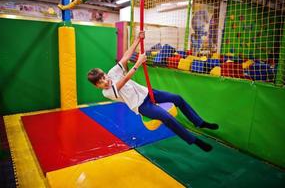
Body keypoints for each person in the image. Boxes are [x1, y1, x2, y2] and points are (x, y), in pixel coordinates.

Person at [87, 32, 219, 152]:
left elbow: (126, 56)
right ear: (97, 86)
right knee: (166, 117)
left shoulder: (112, 73)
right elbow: (125, 80)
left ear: (105, 74)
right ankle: (194, 140)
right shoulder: (107, 93)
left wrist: (137, 40)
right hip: (141, 106)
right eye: (100, 82)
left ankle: (199, 122)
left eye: (103, 77)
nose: (104, 81)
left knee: (177, 98)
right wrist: (138, 63)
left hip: (148, 93)